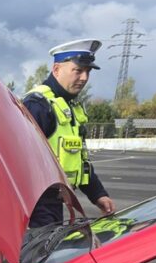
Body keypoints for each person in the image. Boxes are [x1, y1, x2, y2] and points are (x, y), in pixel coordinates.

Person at [23, 39, 115, 227]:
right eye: (78, 70)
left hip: (55, 202)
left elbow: (79, 161)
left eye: (88, 72)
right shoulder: (38, 105)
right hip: (34, 205)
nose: (84, 78)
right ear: (56, 69)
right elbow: (20, 164)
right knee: (41, 255)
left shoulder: (69, 107)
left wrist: (98, 194)